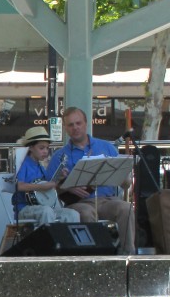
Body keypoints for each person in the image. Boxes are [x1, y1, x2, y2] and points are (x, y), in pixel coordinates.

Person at [49, 106, 135, 254]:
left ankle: (129, 255)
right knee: (87, 213)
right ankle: (95, 256)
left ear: (86, 123)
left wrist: (124, 176)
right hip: (78, 203)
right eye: (70, 125)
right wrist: (68, 187)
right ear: (65, 128)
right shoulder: (59, 155)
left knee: (125, 208)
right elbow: (50, 187)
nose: (75, 128)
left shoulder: (106, 147)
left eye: (78, 123)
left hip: (107, 200)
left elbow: (125, 183)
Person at [12, 126, 80, 225]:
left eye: (47, 148)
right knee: (47, 211)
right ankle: (46, 240)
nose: (45, 151)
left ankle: (67, 240)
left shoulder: (41, 167)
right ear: (30, 147)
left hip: (43, 208)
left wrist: (59, 177)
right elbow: (18, 186)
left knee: (72, 214)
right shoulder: (23, 164)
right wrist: (41, 187)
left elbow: (49, 187)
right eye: (41, 148)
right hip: (24, 208)